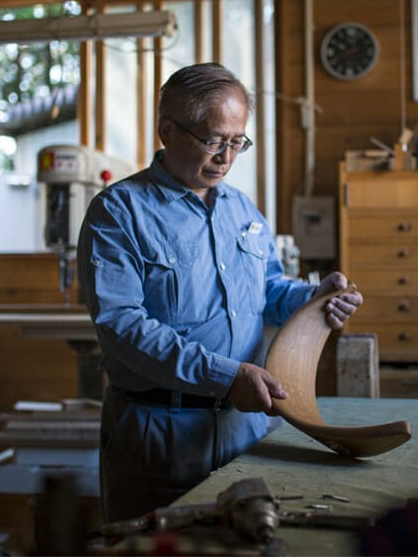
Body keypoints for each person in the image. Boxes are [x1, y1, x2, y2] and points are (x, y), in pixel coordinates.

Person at [78, 62, 362, 523]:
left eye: (237, 142)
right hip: (161, 436)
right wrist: (224, 375)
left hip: (248, 432)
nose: (225, 157)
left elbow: (267, 289)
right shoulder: (118, 211)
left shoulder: (240, 207)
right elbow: (122, 326)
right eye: (213, 141)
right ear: (167, 131)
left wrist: (313, 297)